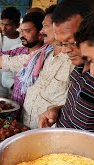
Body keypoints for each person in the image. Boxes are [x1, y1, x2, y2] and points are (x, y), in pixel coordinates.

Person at [39, 0, 94, 131]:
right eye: (61, 44)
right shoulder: (78, 67)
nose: (64, 50)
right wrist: (58, 110)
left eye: (71, 42)